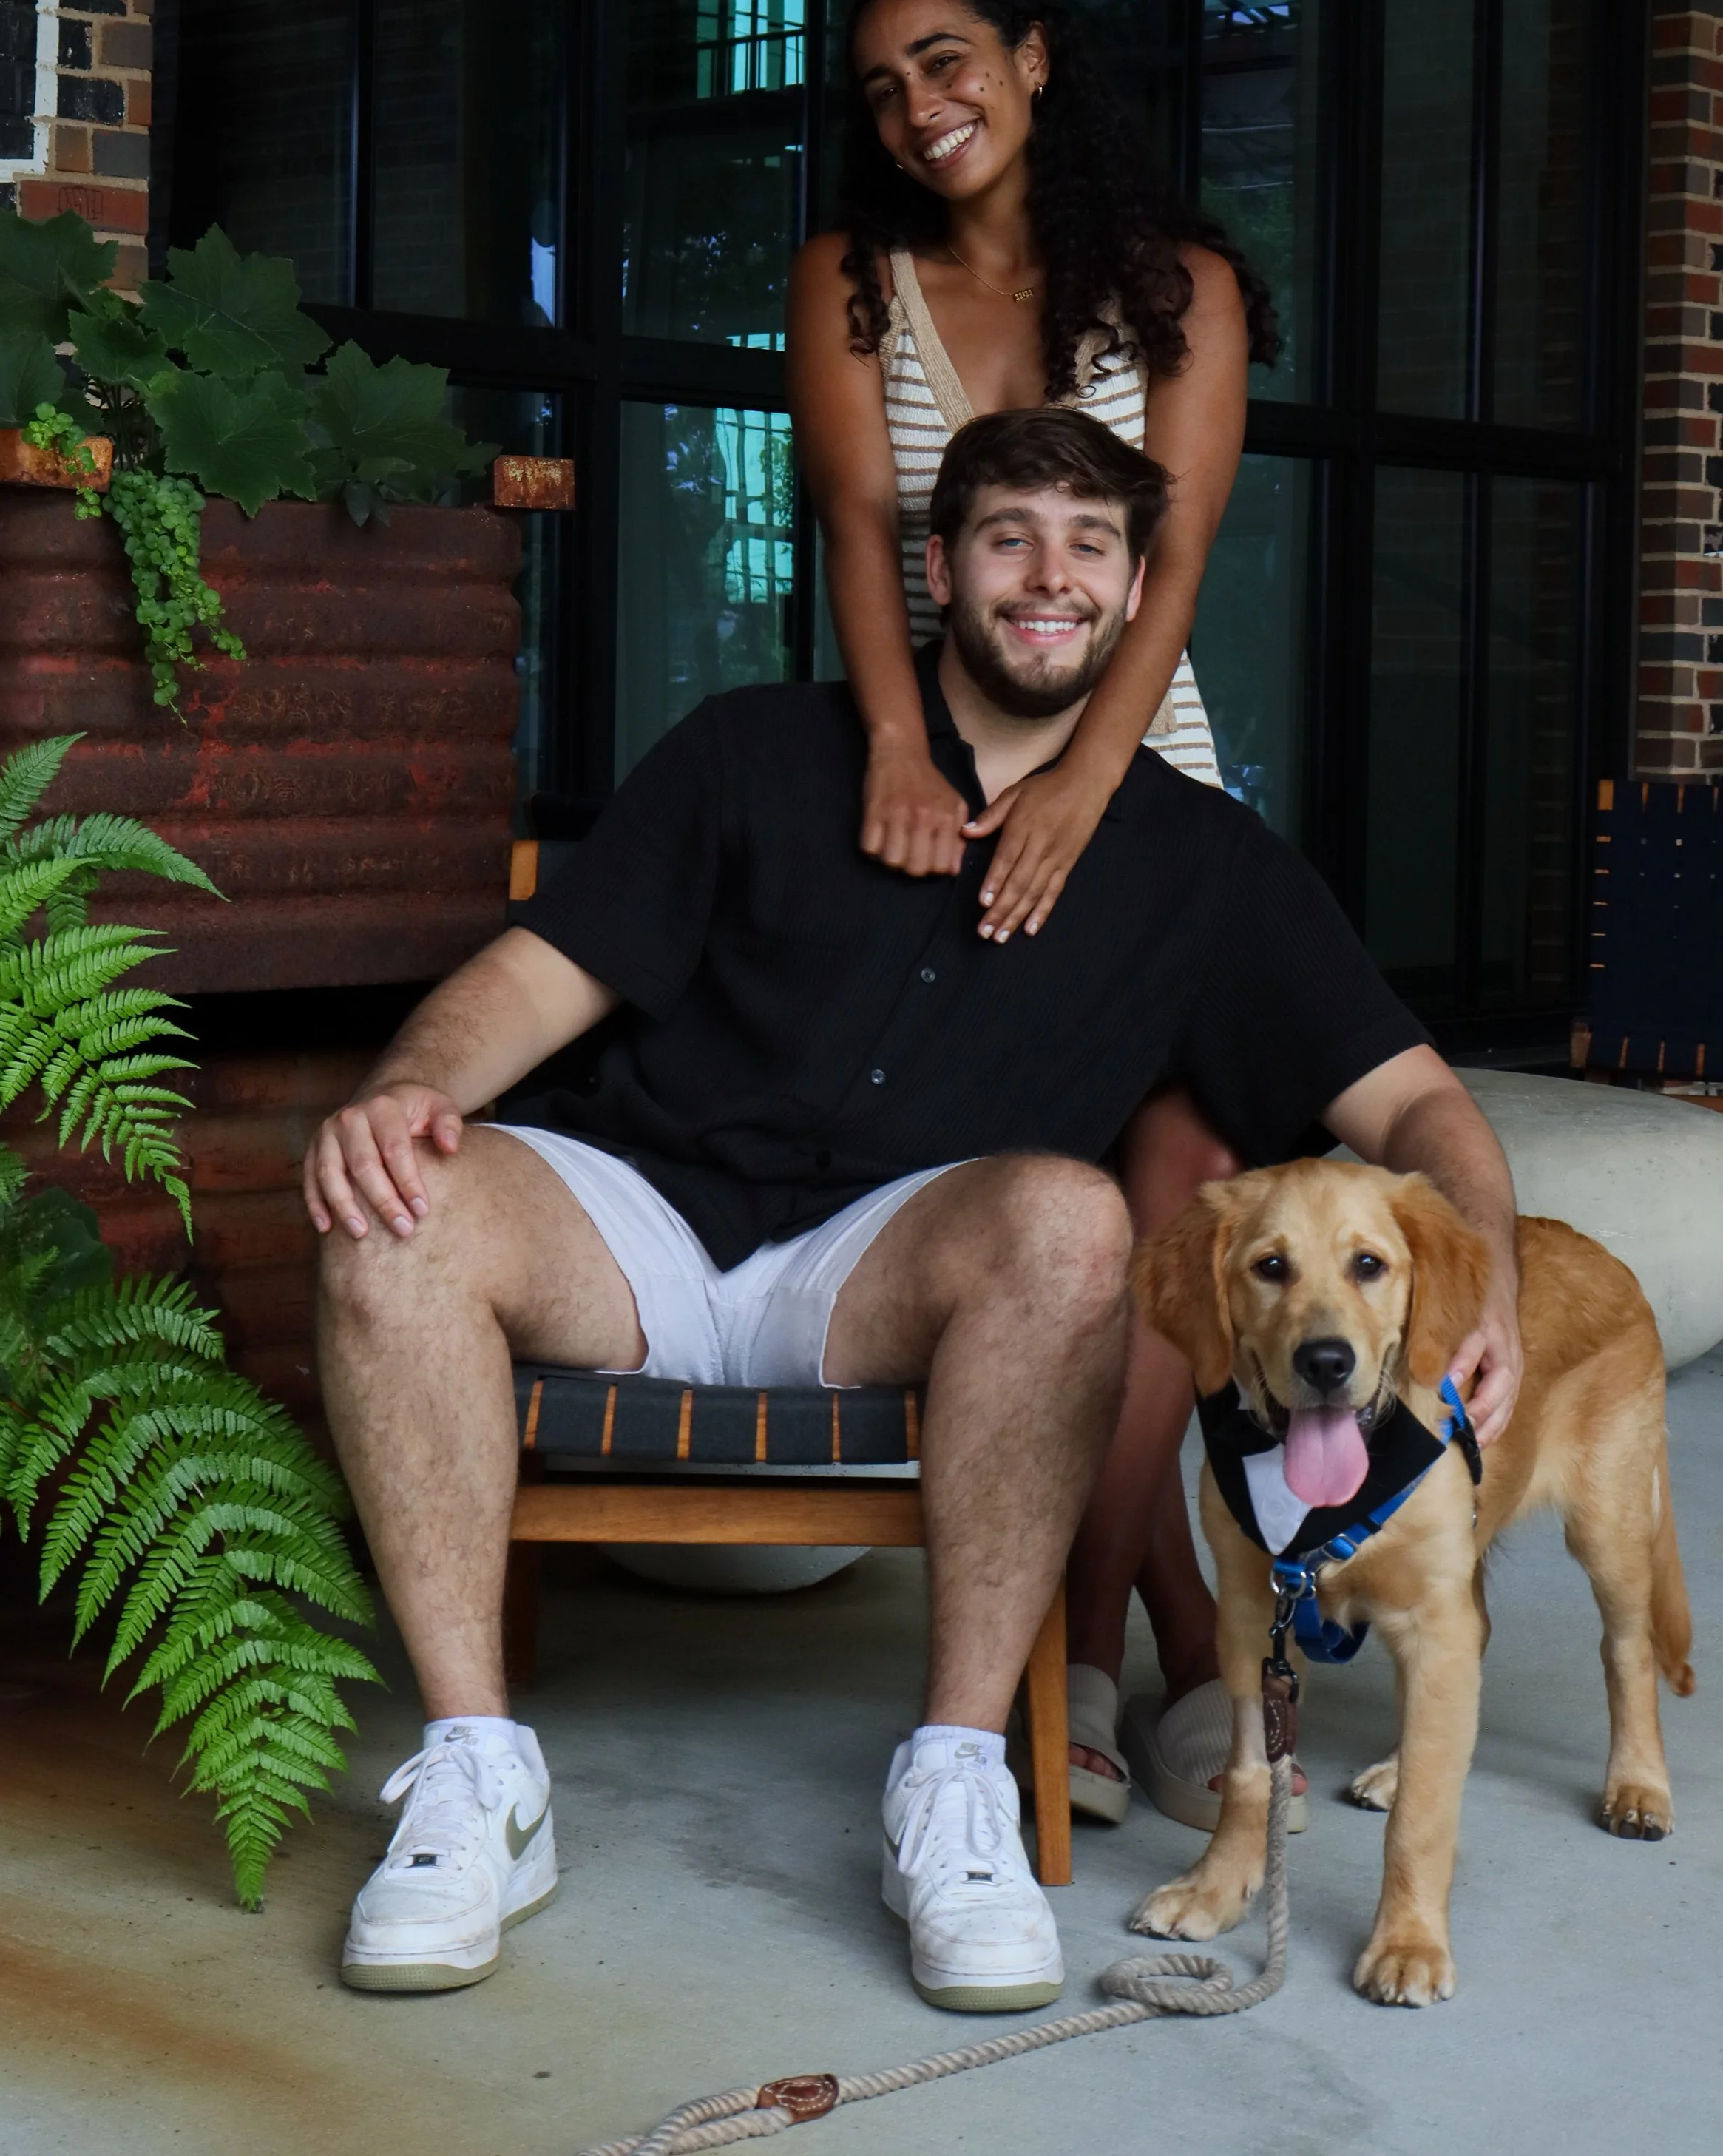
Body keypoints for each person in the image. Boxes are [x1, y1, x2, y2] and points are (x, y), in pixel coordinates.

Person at [305, 408, 1523, 2015]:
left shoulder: (1200, 867)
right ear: (939, 567)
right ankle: (477, 1781)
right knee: (395, 1206)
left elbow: (1415, 1104)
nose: (1047, 576)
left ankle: (953, 1783)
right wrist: (409, 1086)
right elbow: (537, 976)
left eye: (1089, 546)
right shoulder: (755, 750)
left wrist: (1484, 1272)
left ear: (1138, 585)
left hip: (890, 1265)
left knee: (1074, 1222)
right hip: (637, 1220)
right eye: (1009, 534)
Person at [786, 0, 1270, 1820]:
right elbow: (851, 527)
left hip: (1144, 764)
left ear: (1034, 61)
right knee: (1035, 1187)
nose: (918, 107)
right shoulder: (848, 282)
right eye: (882, 87)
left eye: (946, 60)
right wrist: (901, 751)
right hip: (925, 773)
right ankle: (1159, 1624)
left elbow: (1179, 560)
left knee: (1187, 1182)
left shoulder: (1185, 295)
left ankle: (1078, 1646)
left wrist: (1090, 786)